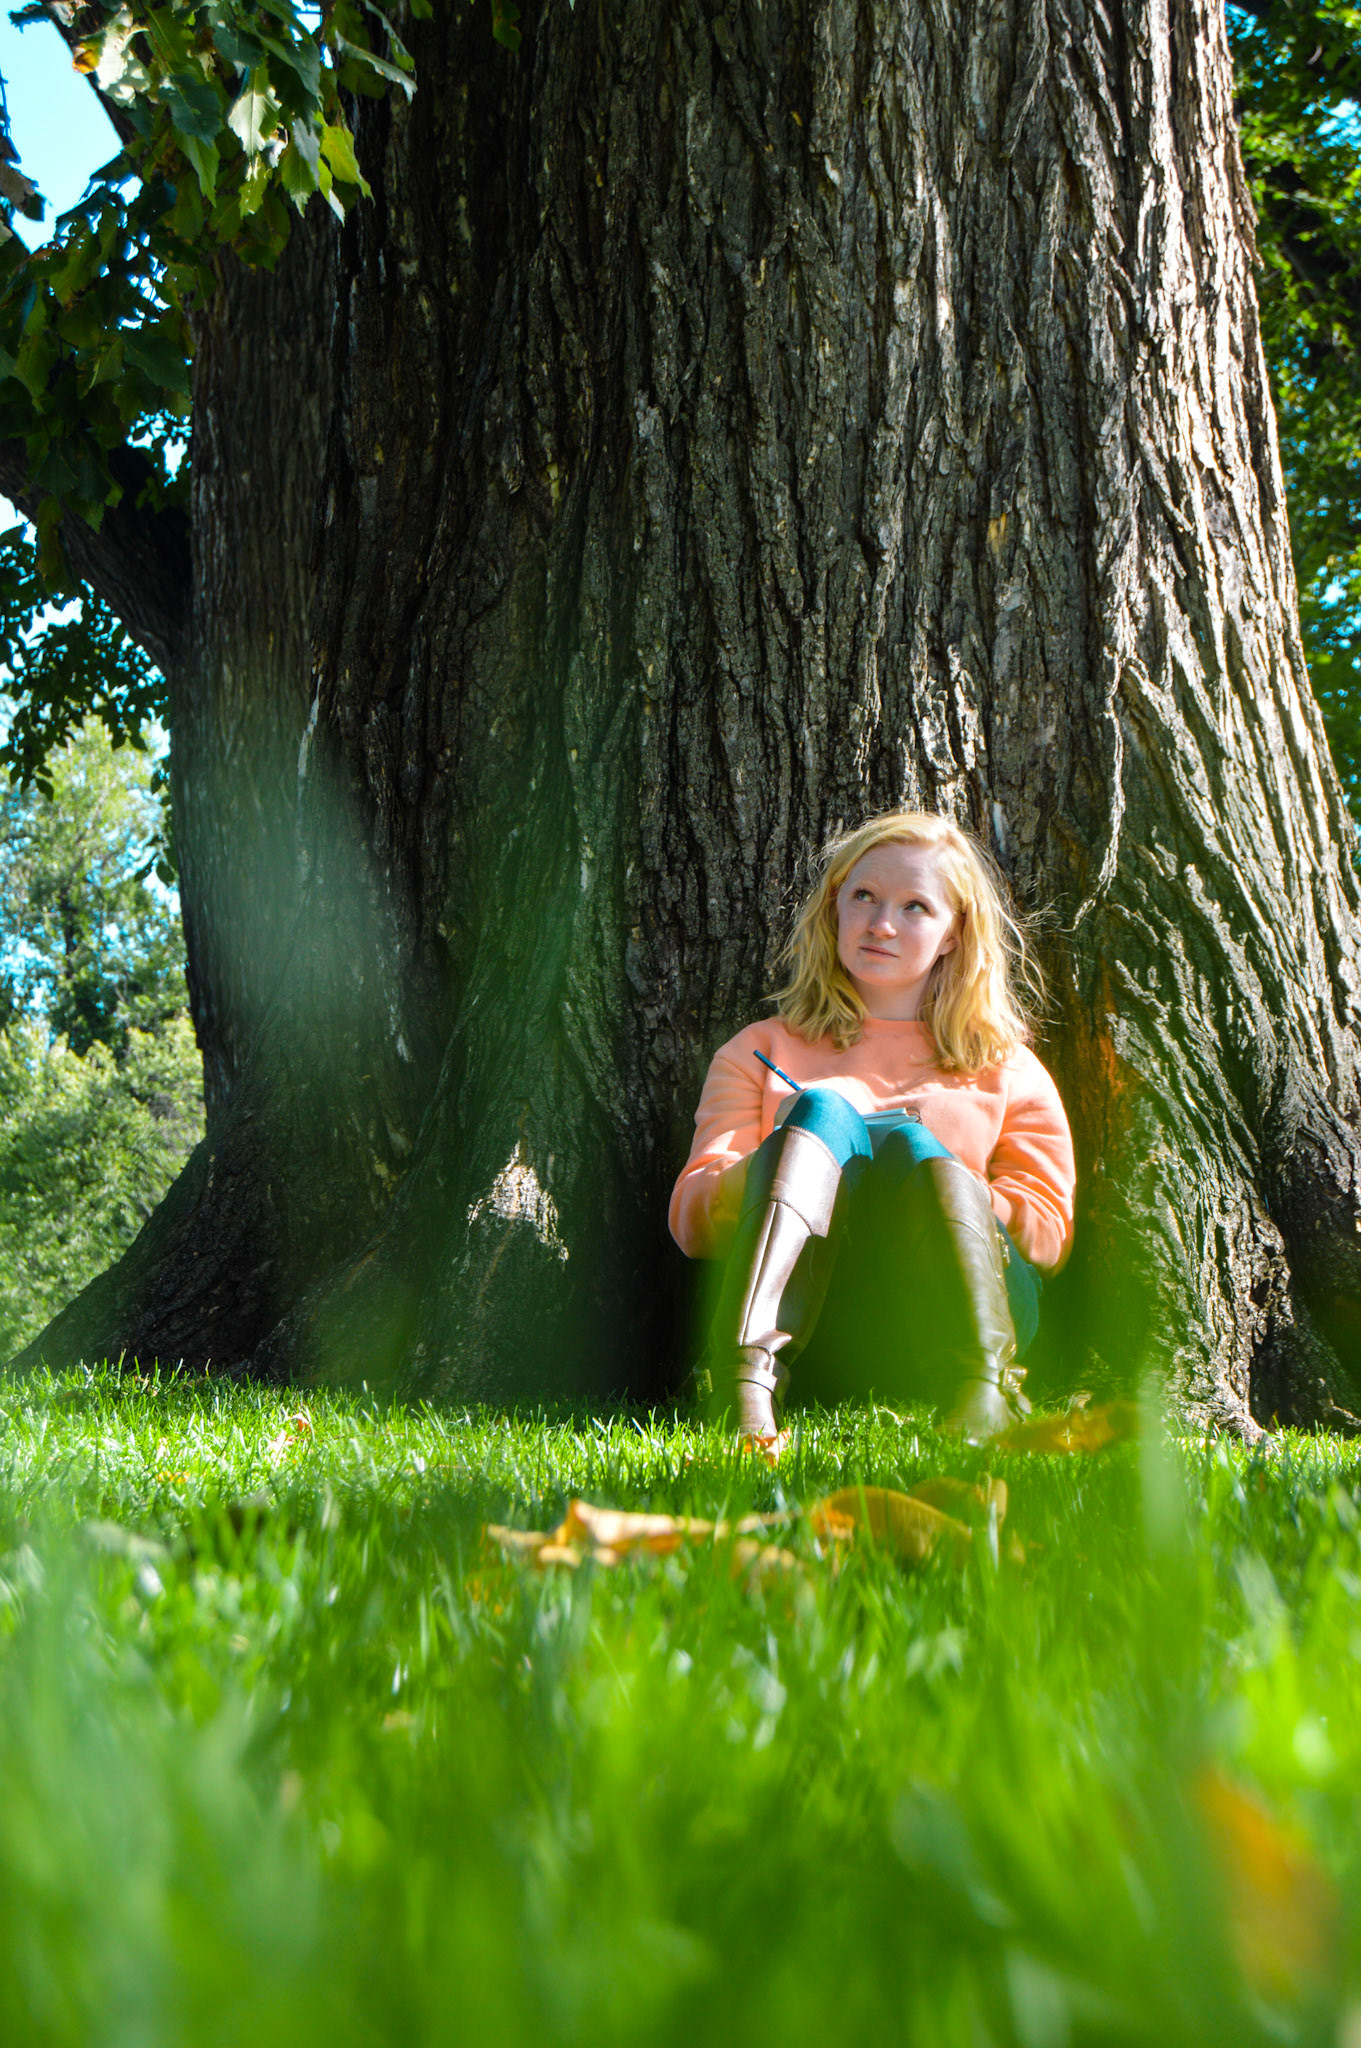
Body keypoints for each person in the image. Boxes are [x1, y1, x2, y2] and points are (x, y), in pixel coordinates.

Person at [669, 810, 1075, 1446]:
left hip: (959, 1321)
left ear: (952, 934)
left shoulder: (1006, 1066)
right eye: (863, 896)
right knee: (824, 1112)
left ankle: (983, 1396)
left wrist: (946, 1178)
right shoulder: (760, 1049)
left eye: (915, 906)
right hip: (812, 1318)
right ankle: (741, 1387)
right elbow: (693, 1220)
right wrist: (800, 1148)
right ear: (836, 907)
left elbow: (1047, 1236)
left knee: (915, 1144)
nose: (881, 924)